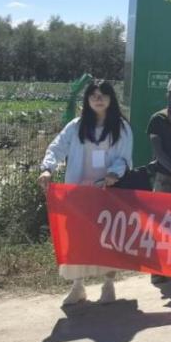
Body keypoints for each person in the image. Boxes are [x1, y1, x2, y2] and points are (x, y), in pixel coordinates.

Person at [38, 80, 133, 306]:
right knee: (77, 238)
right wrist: (47, 168)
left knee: (108, 239)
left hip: (108, 192)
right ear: (87, 99)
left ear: (111, 99)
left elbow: (124, 157)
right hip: (78, 193)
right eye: (93, 95)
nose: (98, 99)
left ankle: (108, 285)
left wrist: (114, 172)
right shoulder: (76, 126)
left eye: (103, 95)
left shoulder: (121, 127)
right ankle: (77, 286)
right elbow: (57, 147)